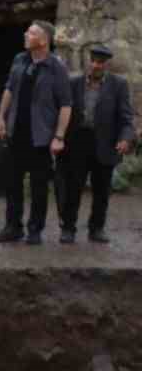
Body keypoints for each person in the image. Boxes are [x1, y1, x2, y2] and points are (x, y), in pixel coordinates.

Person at [0, 21, 73, 245]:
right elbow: (9, 89)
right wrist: (1, 117)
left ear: (44, 40)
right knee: (12, 184)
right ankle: (12, 227)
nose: (26, 34)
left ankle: (35, 229)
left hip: (41, 137)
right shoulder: (20, 59)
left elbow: (66, 104)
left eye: (32, 32)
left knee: (38, 186)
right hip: (16, 132)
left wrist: (59, 137)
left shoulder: (56, 66)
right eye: (27, 30)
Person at [57, 44, 134, 244]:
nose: (95, 65)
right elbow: (62, 112)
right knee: (73, 189)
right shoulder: (73, 83)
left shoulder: (118, 85)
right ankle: (68, 228)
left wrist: (125, 138)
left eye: (100, 62)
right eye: (92, 61)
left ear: (107, 64)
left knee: (101, 191)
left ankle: (97, 229)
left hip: (105, 143)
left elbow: (126, 118)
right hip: (77, 143)